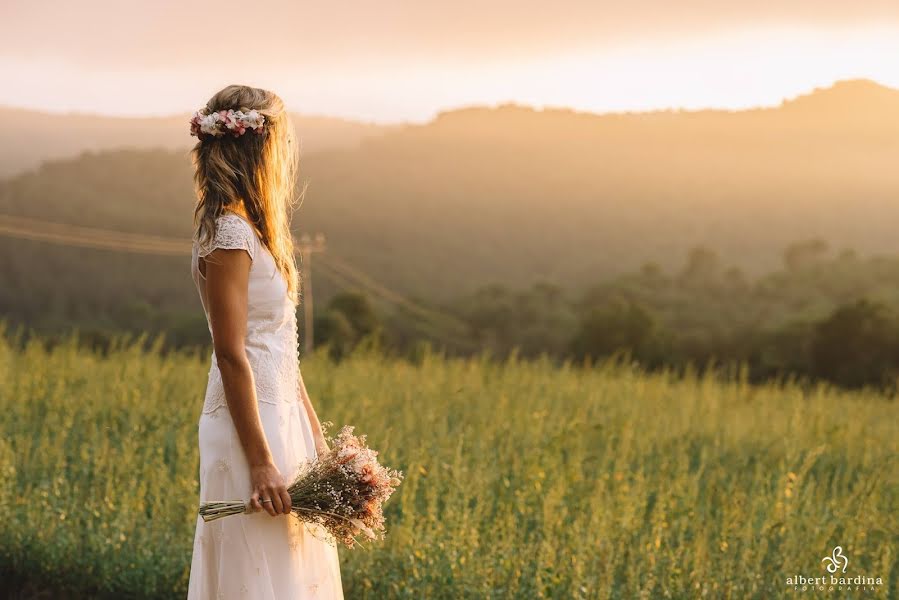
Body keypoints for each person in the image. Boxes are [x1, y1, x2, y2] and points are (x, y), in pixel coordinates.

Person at [186, 84, 343, 599]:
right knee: (254, 568)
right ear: (260, 147)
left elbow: (281, 347)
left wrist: (316, 437)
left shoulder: (255, 229)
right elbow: (231, 353)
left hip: (280, 417)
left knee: (288, 567)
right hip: (248, 423)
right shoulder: (229, 234)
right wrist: (259, 460)